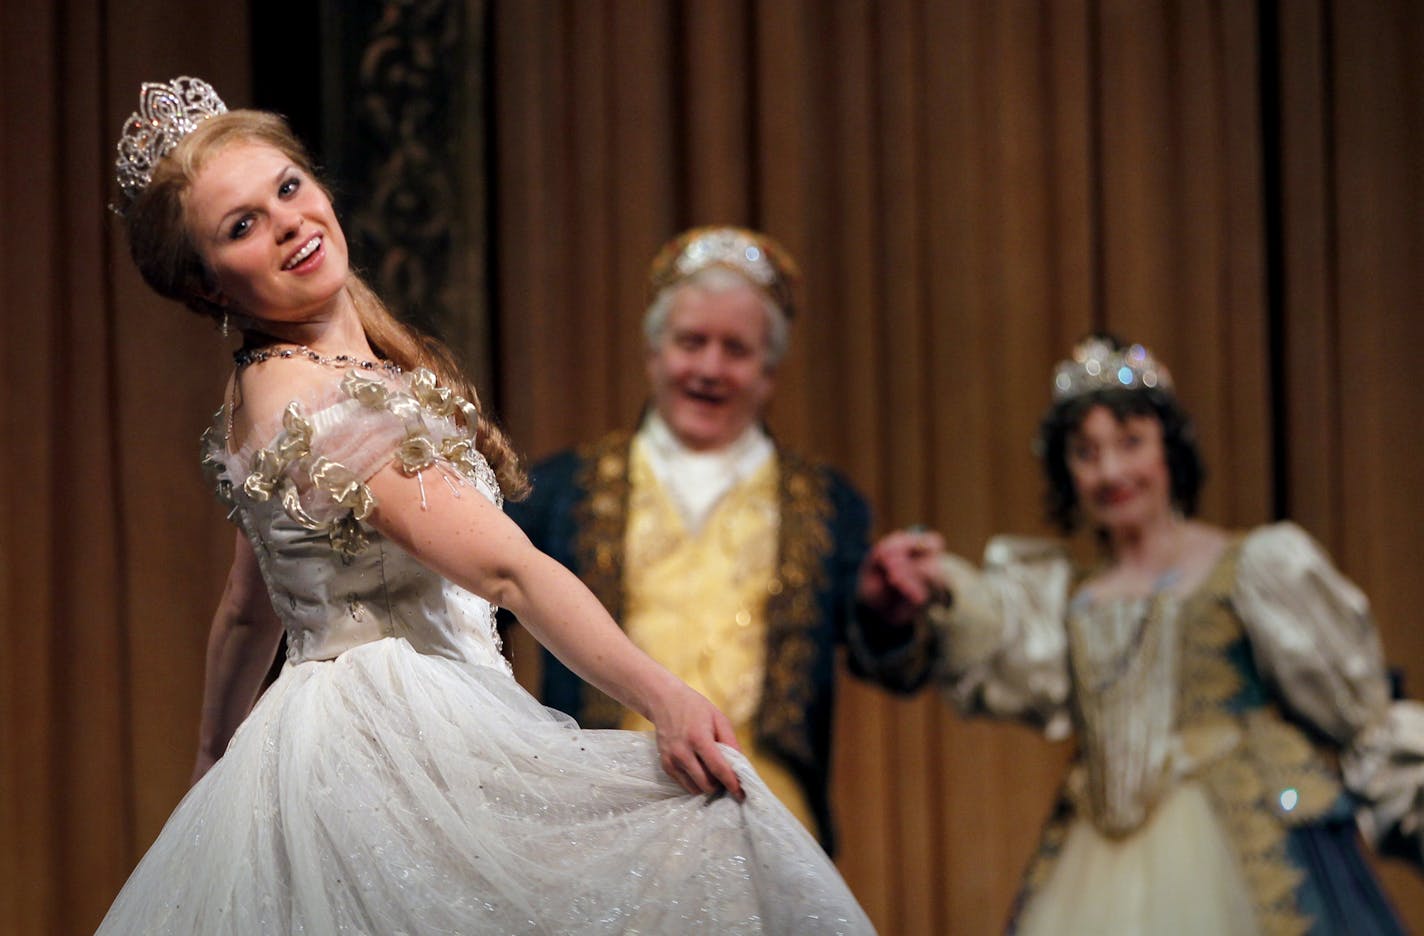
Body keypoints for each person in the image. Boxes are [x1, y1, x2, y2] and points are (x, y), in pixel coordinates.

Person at [98, 76, 875, 934]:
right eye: (241, 226)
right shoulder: (320, 403)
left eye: (288, 187)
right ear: (208, 286)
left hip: (345, 741)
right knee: (723, 845)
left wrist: (215, 755)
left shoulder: (284, 387)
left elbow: (249, 613)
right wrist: (664, 696)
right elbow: (507, 571)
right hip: (389, 746)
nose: (287, 222)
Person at [889, 334, 1423, 934]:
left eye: (1130, 443)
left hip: (1242, 831)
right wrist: (940, 583)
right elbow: (1002, 641)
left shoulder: (1254, 566)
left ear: (1170, 450)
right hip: (1097, 856)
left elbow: (1360, 714)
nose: (1110, 470)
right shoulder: (1068, 598)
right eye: (1085, 452)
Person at [505, 225, 939, 852]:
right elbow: (473, 618)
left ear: (768, 373)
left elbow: (894, 664)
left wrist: (887, 610)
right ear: (654, 354)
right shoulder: (561, 489)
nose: (709, 368)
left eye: (735, 349)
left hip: (767, 820)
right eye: (691, 342)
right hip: (600, 818)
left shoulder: (827, 504)